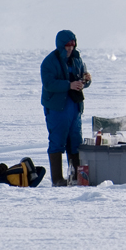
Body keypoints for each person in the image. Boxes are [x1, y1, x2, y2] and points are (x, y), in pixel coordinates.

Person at [40, 30, 91, 187]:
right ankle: (57, 179)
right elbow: (49, 83)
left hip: (74, 107)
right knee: (57, 140)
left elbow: (82, 79)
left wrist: (86, 80)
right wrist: (68, 85)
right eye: (67, 45)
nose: (70, 48)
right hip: (57, 108)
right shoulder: (49, 62)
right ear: (60, 45)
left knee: (75, 141)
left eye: (72, 45)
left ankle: (76, 177)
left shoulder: (77, 60)